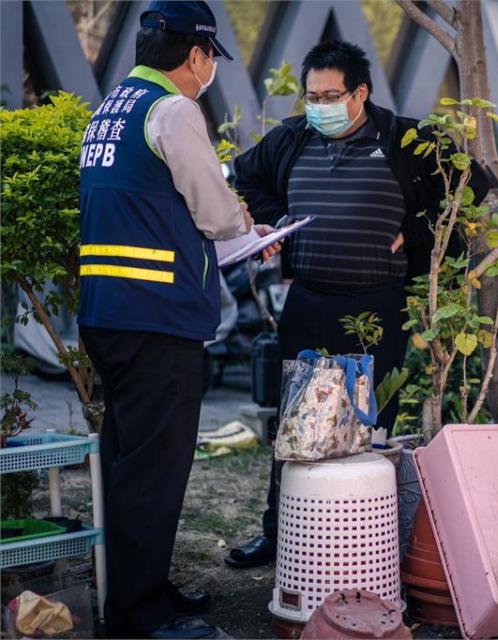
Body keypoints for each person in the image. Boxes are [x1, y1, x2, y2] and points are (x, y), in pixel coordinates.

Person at [224, 41, 491, 569]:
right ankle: (282, 534)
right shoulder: (293, 138)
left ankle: (366, 537)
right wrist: (277, 221)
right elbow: (245, 175)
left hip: (378, 305)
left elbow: (472, 183)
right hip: (309, 301)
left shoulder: (404, 138)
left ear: (360, 93)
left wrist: (415, 233)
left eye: (330, 95)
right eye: (311, 96)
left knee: (370, 423)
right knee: (296, 424)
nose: (318, 104)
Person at [77, 2, 278, 637]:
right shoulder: (174, 110)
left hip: (109, 312)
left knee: (130, 460)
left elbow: (152, 206)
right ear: (196, 56)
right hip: (157, 318)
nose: (210, 70)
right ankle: (138, 616)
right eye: (212, 58)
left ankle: (144, 590)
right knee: (155, 469)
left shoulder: (109, 110)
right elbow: (216, 215)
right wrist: (246, 222)